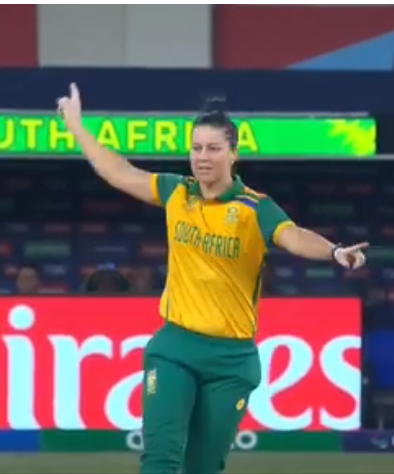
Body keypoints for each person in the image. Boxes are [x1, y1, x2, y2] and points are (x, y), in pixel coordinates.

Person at [57, 83, 368, 474]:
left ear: (233, 153)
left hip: (231, 361)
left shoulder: (255, 208)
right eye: (197, 148)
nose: (202, 157)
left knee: (203, 467)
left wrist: (334, 251)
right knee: (159, 458)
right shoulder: (176, 192)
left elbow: (293, 236)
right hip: (174, 347)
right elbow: (118, 172)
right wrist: (77, 126)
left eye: (213, 149)